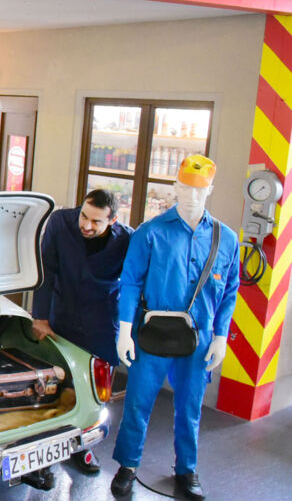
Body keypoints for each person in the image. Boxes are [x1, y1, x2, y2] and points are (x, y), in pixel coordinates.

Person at [110, 155, 239, 500]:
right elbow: (131, 282)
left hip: (199, 339)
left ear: (210, 189)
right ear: (174, 187)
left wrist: (222, 336)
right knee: (138, 403)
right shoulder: (151, 233)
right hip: (151, 335)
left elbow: (229, 290)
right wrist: (124, 330)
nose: (191, 196)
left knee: (190, 407)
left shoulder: (225, 239)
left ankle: (187, 469)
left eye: (199, 189)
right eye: (185, 188)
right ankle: (128, 465)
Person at [27, 189, 133, 482]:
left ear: (112, 220)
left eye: (96, 221)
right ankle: (43, 456)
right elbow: (45, 270)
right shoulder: (61, 222)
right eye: (84, 216)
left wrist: (130, 328)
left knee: (96, 394)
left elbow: (136, 280)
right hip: (62, 318)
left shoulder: (127, 239)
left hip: (102, 323)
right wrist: (40, 317)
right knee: (55, 390)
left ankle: (83, 448)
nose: (86, 224)